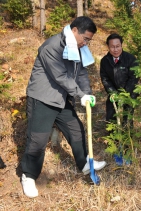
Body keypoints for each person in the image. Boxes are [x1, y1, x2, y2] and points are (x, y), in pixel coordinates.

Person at [20, 16, 106, 198]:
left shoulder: (77, 48)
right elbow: (61, 77)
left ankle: (84, 164)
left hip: (60, 98)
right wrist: (80, 95)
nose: (86, 43)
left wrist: (87, 93)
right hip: (42, 97)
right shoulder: (52, 47)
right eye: (86, 39)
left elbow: (81, 73)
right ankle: (28, 175)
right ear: (74, 31)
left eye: (89, 40)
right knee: (38, 140)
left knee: (76, 129)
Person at [100, 33, 139, 128]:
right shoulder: (105, 61)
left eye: (118, 46)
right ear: (108, 47)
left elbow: (134, 77)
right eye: (112, 47)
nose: (115, 49)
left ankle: (127, 137)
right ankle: (112, 138)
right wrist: (112, 92)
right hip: (114, 93)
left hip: (129, 93)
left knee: (128, 117)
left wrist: (125, 93)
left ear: (121, 45)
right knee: (111, 116)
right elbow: (105, 78)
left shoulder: (130, 59)